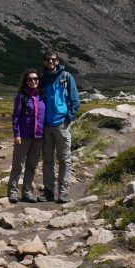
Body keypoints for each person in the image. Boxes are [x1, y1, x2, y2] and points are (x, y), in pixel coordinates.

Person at [40, 50, 80, 203]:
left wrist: (68, 118)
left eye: (53, 59)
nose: (51, 62)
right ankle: (48, 192)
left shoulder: (66, 77)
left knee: (64, 159)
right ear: (44, 61)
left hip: (61, 124)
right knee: (47, 160)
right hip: (46, 125)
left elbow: (75, 100)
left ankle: (63, 192)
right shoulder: (42, 79)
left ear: (57, 61)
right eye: (47, 59)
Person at [8, 69, 44, 203]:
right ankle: (12, 192)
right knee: (18, 165)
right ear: (25, 82)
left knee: (32, 166)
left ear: (39, 81)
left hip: (39, 137)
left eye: (35, 79)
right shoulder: (21, 97)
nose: (33, 81)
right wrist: (16, 134)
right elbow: (16, 116)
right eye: (30, 79)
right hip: (23, 136)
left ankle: (27, 193)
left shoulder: (42, 97)